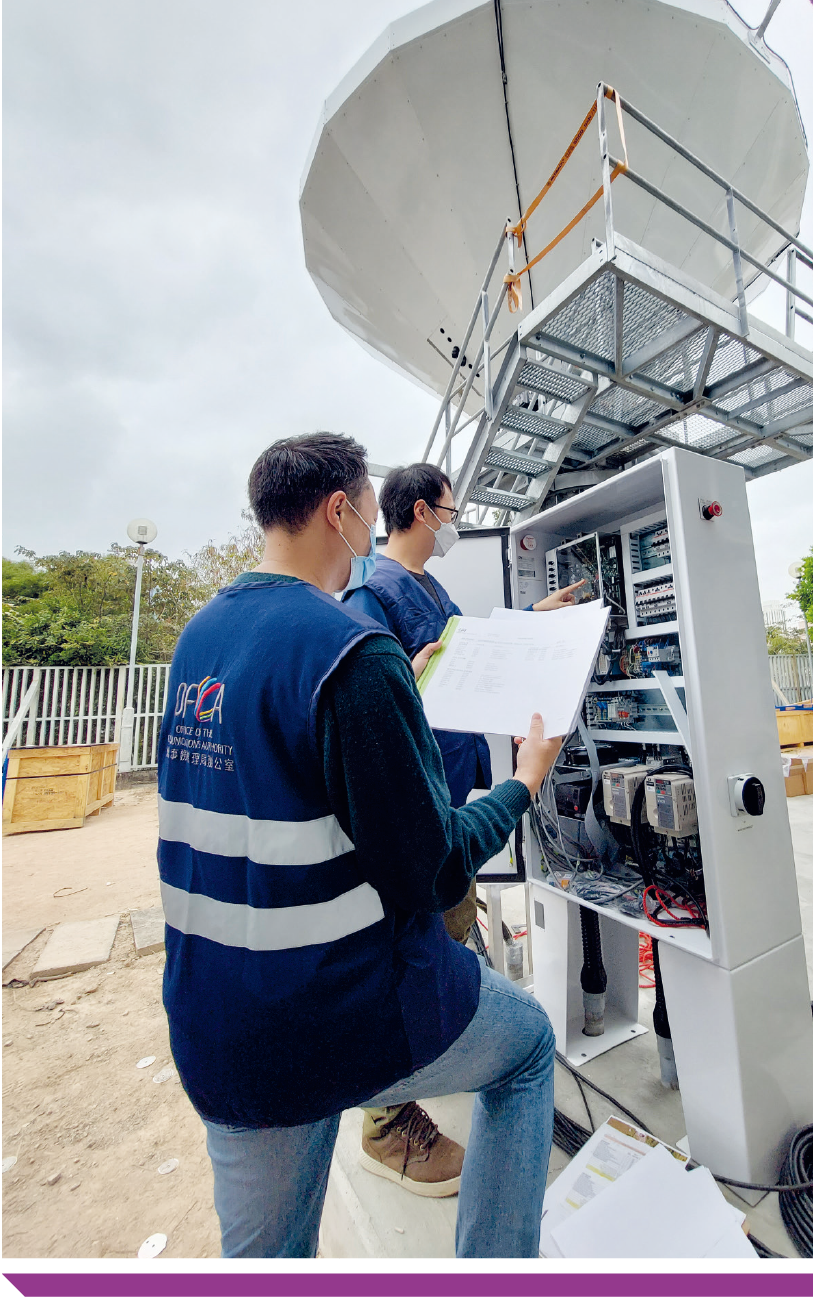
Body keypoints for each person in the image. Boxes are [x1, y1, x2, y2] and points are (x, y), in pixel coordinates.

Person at [157, 432, 563, 1259]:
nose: (373, 540)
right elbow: (433, 869)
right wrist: (521, 784)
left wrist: (393, 702)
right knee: (525, 1049)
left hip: (218, 1024)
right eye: (370, 518)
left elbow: (288, 776)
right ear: (340, 511)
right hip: (336, 1013)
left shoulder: (200, 638)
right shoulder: (351, 649)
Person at [343, 462, 582, 1195]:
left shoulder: (425, 588)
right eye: (450, 511)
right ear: (421, 510)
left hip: (447, 803)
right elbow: (379, 705)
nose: (453, 523)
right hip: (418, 817)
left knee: (449, 946)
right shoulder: (372, 593)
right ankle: (386, 1127)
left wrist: (534, 628)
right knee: (413, 964)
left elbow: (464, 654)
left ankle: (433, 1061)